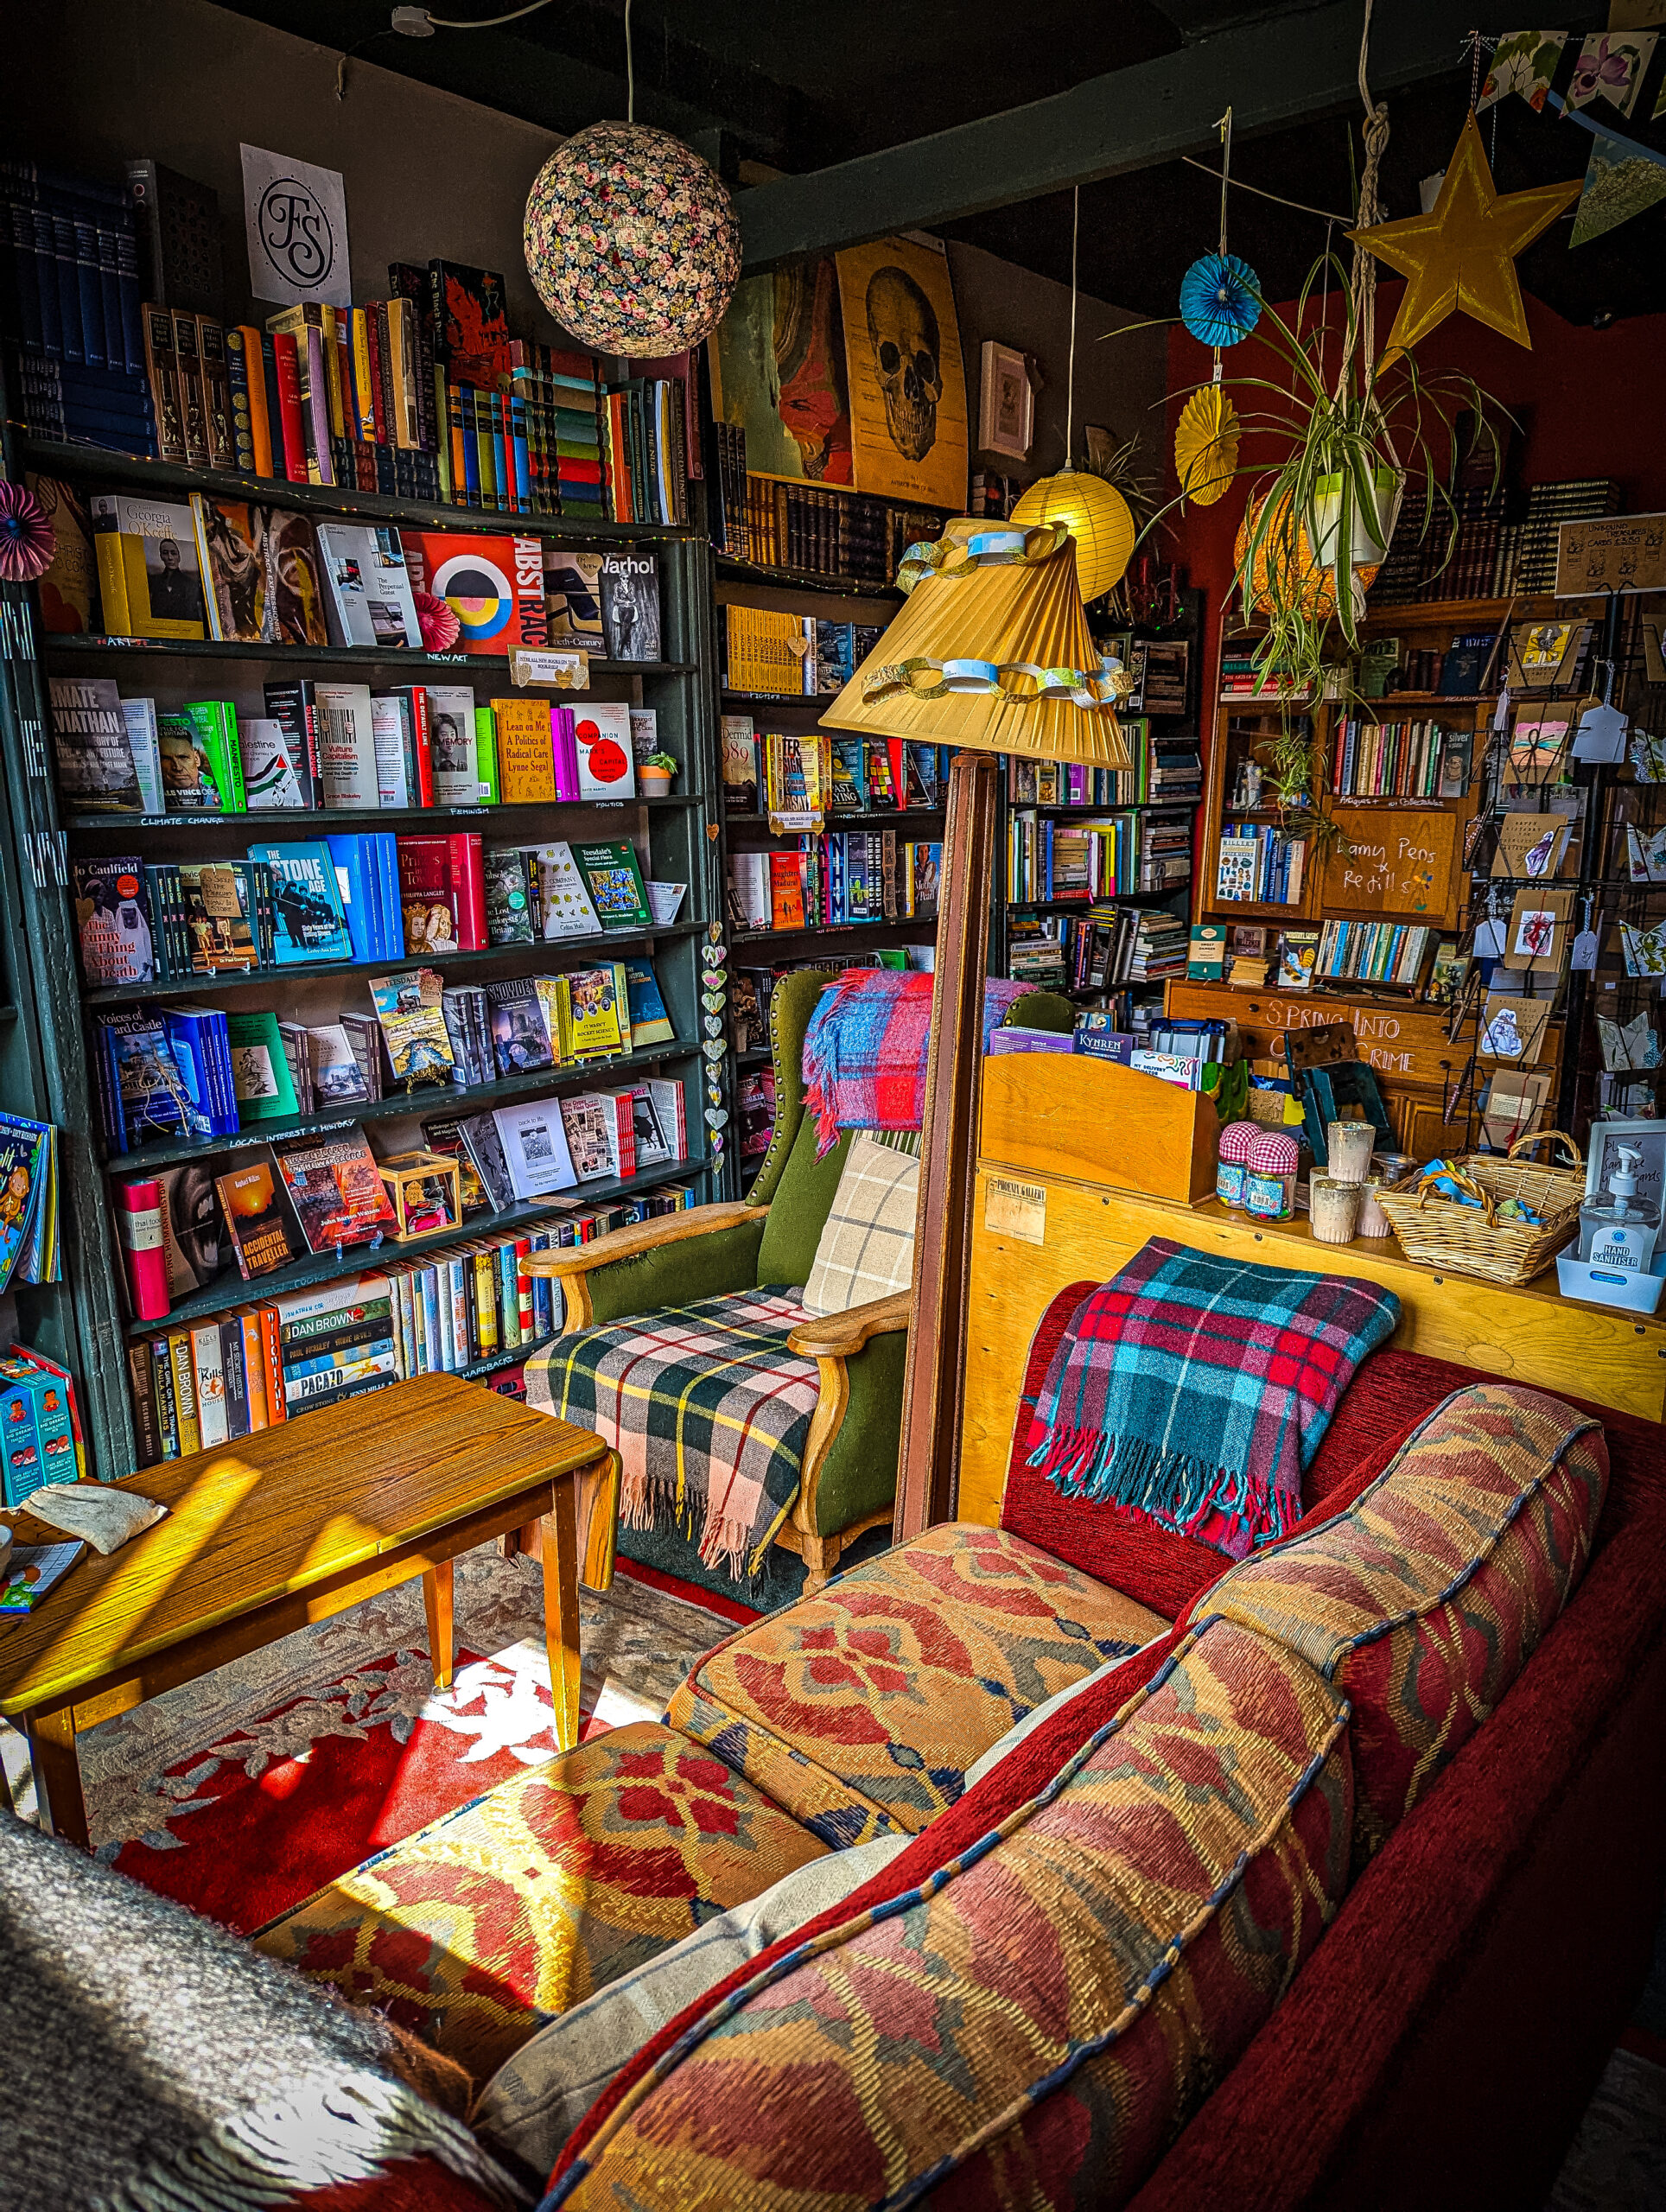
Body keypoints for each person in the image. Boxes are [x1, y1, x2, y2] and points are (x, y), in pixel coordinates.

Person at [146, 537, 204, 624]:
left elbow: (193, 617)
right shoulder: (155, 582)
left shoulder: (190, 584)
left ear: (179, 557)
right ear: (161, 556)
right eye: (165, 553)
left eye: (173, 553)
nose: (170, 557)